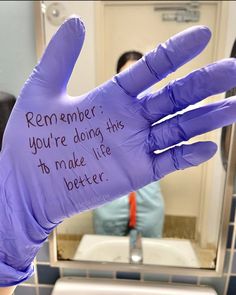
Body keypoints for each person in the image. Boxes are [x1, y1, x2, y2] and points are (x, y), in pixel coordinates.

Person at [1, 17, 236, 295]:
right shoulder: (96, 123)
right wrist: (15, 220)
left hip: (145, 197)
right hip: (108, 199)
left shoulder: (160, 128)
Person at [93, 51, 164, 238]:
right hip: (110, 196)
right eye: (127, 75)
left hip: (149, 197)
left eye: (139, 75)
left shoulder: (160, 110)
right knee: (106, 253)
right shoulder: (100, 111)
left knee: (150, 255)